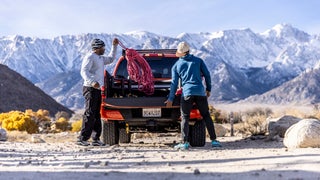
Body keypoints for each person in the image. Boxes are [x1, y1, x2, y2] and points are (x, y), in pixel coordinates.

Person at [165, 41, 221, 150]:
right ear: (188, 51)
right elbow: (207, 75)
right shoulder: (199, 61)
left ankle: (185, 143)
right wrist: (208, 89)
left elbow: (174, 84)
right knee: (206, 116)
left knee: (185, 117)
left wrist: (170, 98)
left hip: (186, 93)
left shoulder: (176, 65)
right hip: (200, 92)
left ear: (180, 53)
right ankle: (214, 141)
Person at [77, 38, 119, 146]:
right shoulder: (90, 57)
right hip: (90, 88)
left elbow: (110, 59)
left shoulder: (100, 58)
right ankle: (82, 138)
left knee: (96, 113)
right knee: (89, 113)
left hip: (97, 89)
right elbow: (83, 71)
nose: (104, 49)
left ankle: (95, 139)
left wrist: (114, 46)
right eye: (102, 48)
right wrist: (91, 82)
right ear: (96, 48)